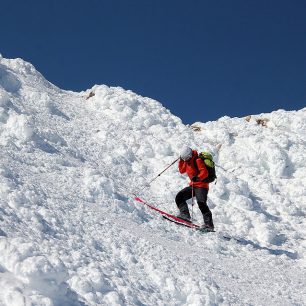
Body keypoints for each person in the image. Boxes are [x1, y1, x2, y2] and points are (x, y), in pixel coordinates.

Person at [175, 146, 214, 229]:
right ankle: (185, 215)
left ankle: (209, 225)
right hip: (193, 185)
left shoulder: (198, 160)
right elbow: (182, 170)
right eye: (184, 158)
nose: (186, 160)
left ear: (190, 155)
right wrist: (181, 160)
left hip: (202, 186)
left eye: (187, 158)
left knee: (201, 203)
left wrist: (197, 178)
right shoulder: (186, 161)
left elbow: (205, 173)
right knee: (179, 197)